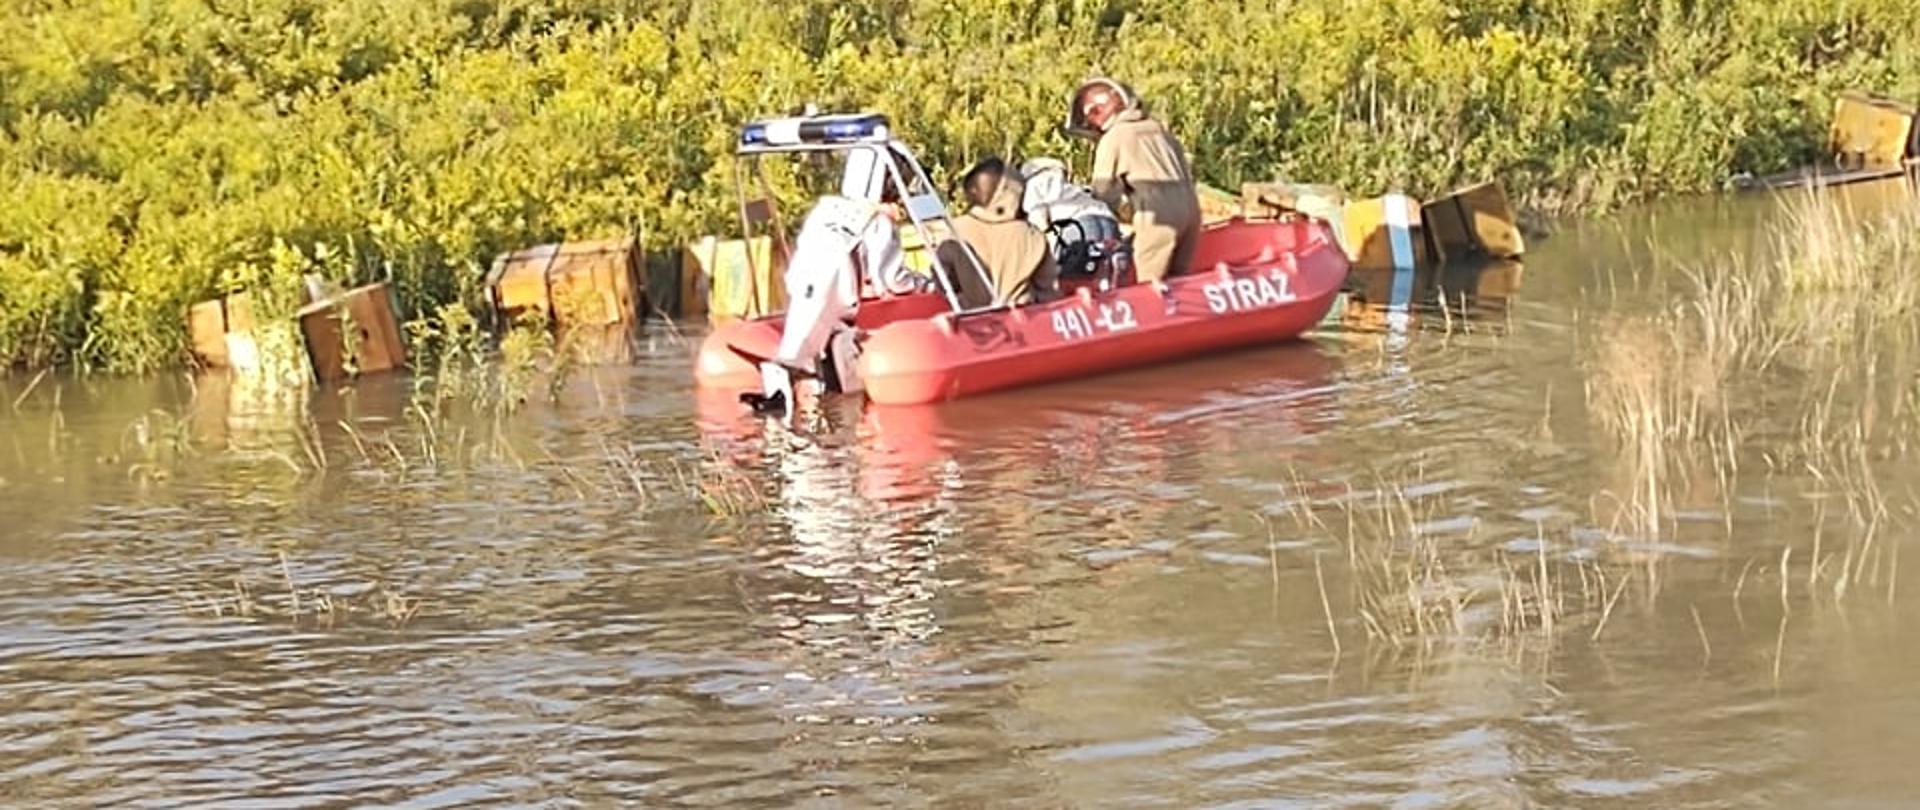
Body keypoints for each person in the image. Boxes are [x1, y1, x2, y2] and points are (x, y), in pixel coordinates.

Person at [1070, 78, 1201, 284]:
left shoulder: (1114, 138)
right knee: (1180, 280)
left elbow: (1103, 192)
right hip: (1191, 208)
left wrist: (1118, 220)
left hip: (1158, 214)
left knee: (1150, 284)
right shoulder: (1158, 129)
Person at [938, 157, 1061, 308]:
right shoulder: (1031, 237)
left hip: (973, 323)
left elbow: (943, 283)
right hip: (1024, 321)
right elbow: (1049, 291)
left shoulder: (953, 232)